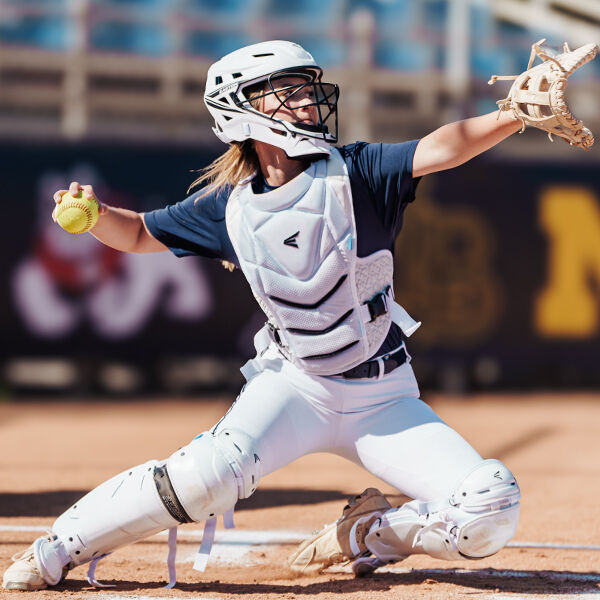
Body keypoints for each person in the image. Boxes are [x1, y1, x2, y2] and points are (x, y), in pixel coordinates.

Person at [3, 40, 523, 591]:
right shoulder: (229, 206)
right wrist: (96, 215)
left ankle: (370, 535)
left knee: (489, 504)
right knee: (201, 481)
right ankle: (55, 550)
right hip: (294, 387)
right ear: (239, 110)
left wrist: (514, 113)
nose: (307, 103)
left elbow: (444, 147)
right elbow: (136, 232)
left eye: (308, 90)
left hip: (385, 396)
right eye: (289, 92)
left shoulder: (360, 172)